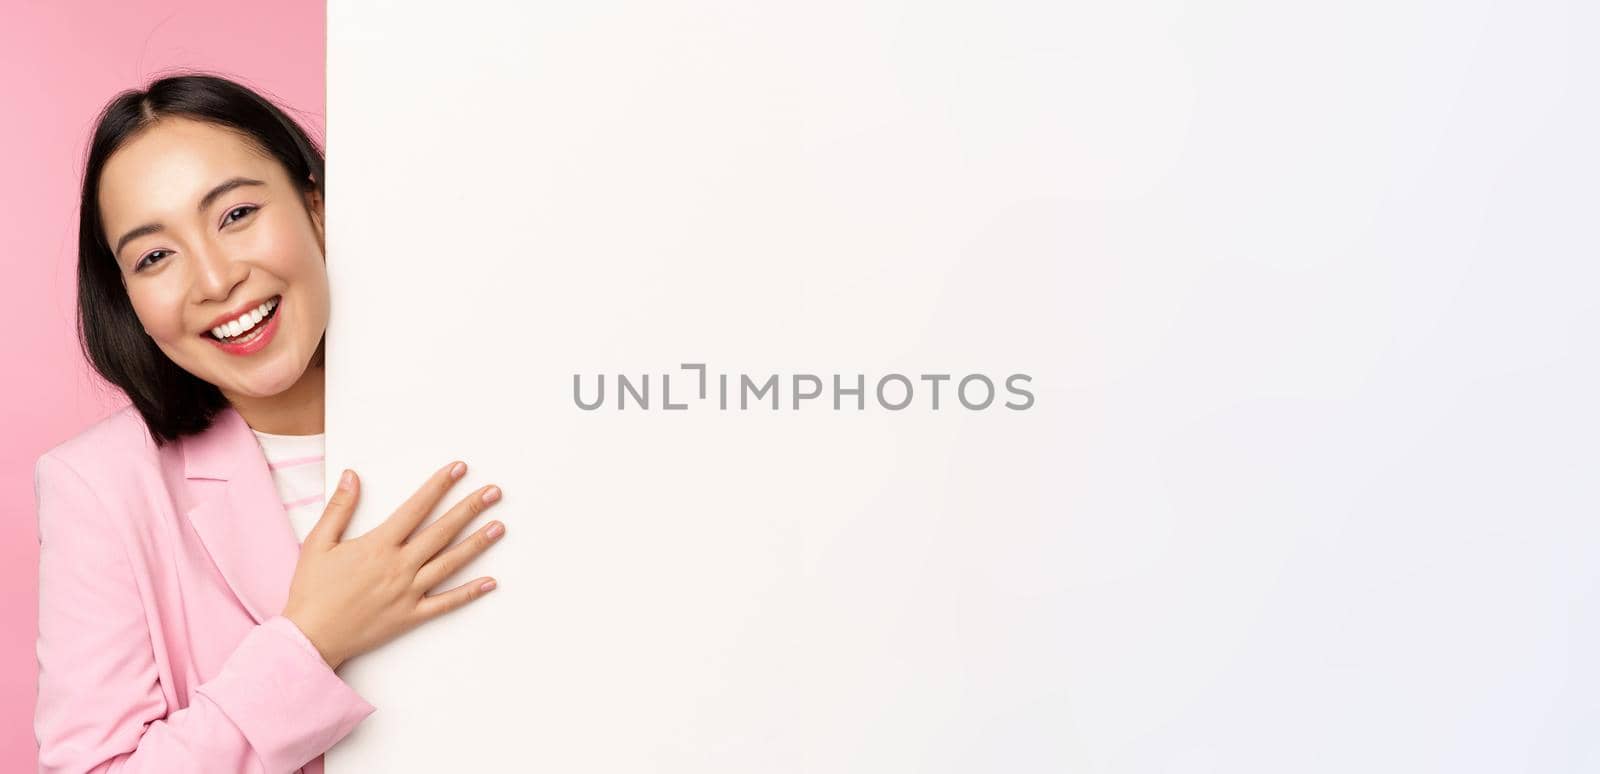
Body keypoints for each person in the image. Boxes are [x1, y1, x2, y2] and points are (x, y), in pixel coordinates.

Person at [33, 73, 508, 774]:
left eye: (235, 214)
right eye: (155, 256)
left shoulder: (492, 394)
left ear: (315, 204)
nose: (217, 279)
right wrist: (311, 639)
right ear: (126, 296)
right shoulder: (99, 487)